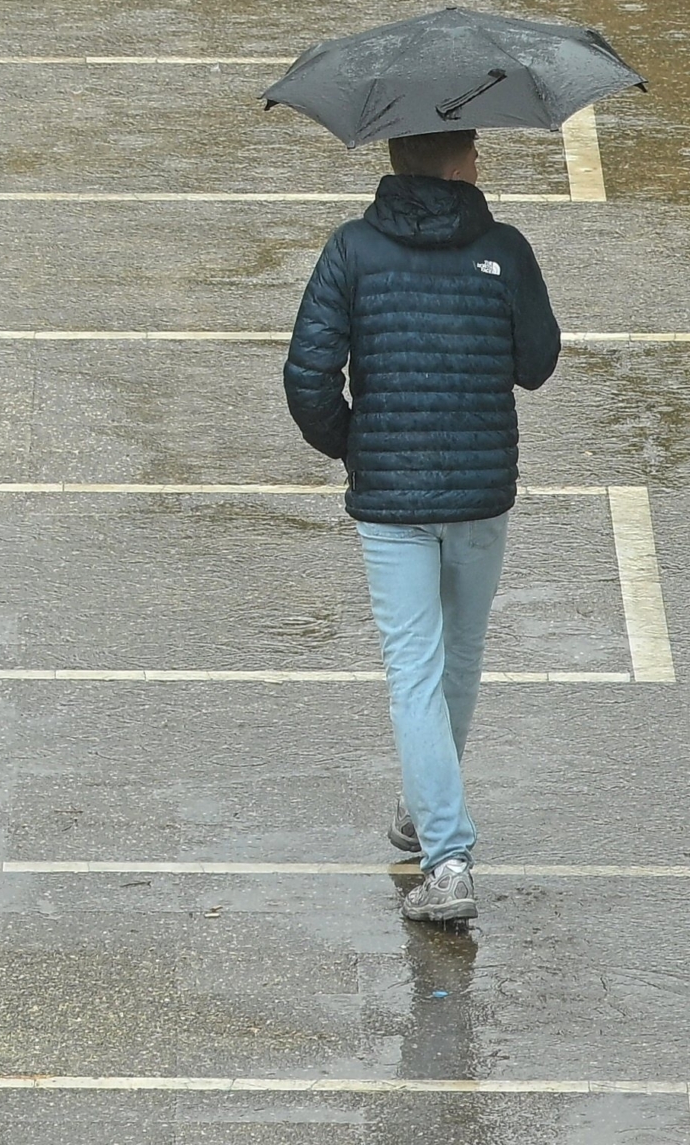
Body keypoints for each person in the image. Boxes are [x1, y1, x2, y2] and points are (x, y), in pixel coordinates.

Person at [283, 128, 561, 923]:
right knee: (457, 660)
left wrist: (356, 443)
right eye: (473, 149)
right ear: (458, 160)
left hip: (391, 504)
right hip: (480, 496)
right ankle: (442, 842)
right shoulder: (504, 248)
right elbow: (537, 363)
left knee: (414, 668)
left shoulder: (350, 250)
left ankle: (438, 840)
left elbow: (308, 374)